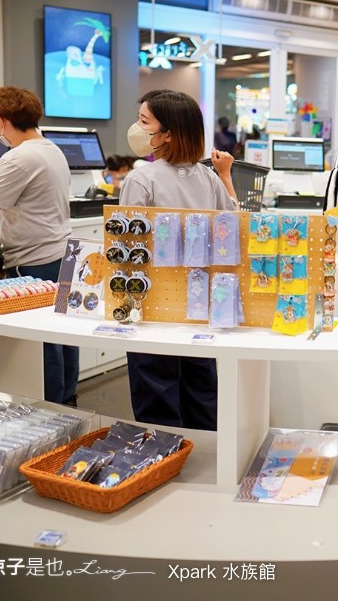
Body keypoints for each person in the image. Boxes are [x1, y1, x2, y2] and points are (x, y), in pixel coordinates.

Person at [120, 89, 238, 431]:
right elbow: (230, 227)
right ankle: (206, 462)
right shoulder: (209, 178)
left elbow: (127, 246)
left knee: (156, 391)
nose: (137, 128)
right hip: (201, 302)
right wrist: (226, 176)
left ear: (168, 133)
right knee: (201, 389)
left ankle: (165, 462)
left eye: (144, 122)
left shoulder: (141, 178)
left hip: (153, 301)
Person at [0, 87, 78, 406]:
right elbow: (26, 190)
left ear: (1, 121)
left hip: (33, 262)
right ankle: (67, 403)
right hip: (60, 254)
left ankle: (50, 410)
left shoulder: (17, 157)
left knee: (42, 346)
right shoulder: (49, 148)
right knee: (64, 339)